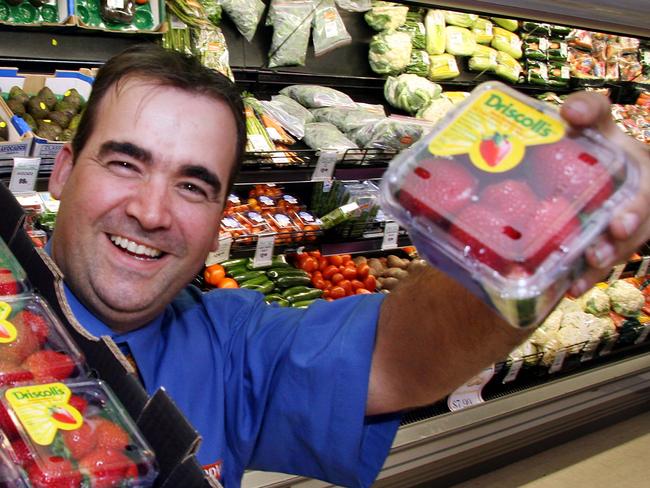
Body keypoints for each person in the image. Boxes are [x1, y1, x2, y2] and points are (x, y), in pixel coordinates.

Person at [46, 44, 650, 487]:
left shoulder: (232, 345)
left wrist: (541, 225)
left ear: (217, 219)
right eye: (125, 163)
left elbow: (403, 355)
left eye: (194, 187)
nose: (152, 212)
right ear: (65, 171)